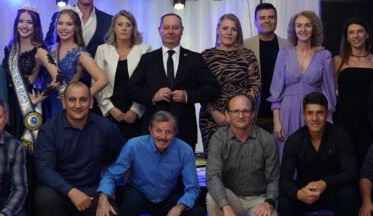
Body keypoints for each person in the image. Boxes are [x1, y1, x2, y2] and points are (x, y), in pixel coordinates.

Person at [96, 111, 206, 216]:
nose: (163, 136)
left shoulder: (185, 150)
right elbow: (112, 174)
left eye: (168, 132)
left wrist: (177, 209)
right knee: (130, 203)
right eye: (158, 131)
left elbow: (193, 188)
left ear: (175, 132)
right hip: (139, 191)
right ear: (150, 130)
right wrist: (103, 197)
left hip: (167, 195)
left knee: (198, 212)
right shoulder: (134, 145)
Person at [34, 81, 125, 216]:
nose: (78, 105)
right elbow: (43, 169)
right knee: (43, 197)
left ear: (91, 103)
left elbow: (122, 159)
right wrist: (71, 191)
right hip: (59, 190)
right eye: (72, 100)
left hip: (92, 189)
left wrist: (107, 190)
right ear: (64, 103)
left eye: (83, 100)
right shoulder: (49, 129)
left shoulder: (105, 127)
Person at [279, 92, 359, 216]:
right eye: (310, 113)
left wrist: (325, 183)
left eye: (319, 113)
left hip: (333, 190)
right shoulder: (294, 140)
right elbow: (284, 180)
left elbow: (351, 173)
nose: (314, 118)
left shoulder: (340, 136)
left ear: (327, 113)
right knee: (283, 202)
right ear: (303, 114)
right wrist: (298, 193)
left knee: (351, 193)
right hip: (306, 193)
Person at [202, 93, 279, 216]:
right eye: (236, 111)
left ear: (252, 114)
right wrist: (226, 208)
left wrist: (269, 202)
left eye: (245, 111)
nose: (241, 115)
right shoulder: (219, 138)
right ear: (227, 114)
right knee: (212, 197)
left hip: (258, 198)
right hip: (231, 196)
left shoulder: (266, 140)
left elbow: (274, 178)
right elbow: (213, 176)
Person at [127, 13, 220, 149]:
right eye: (166, 27)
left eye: (175, 28)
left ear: (182, 30)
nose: (170, 31)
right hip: (153, 131)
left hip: (184, 130)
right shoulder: (147, 59)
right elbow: (131, 89)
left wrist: (187, 95)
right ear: (159, 30)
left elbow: (212, 88)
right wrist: (154, 95)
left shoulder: (194, 58)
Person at [269, 10, 335, 154]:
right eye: (299, 26)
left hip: (314, 113)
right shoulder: (283, 54)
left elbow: (329, 92)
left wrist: (328, 122)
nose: (303, 29)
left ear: (314, 29)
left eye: (307, 25)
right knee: (288, 155)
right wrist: (277, 121)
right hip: (288, 111)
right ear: (294, 29)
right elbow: (276, 92)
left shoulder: (324, 55)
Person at [199, 13, 260, 149]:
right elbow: (199, 88)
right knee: (215, 158)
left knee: (243, 157)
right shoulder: (206, 55)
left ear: (238, 33)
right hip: (212, 118)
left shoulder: (248, 55)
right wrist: (214, 112)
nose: (229, 32)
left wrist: (242, 111)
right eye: (225, 28)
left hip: (242, 117)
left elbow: (255, 85)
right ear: (217, 30)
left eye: (234, 29)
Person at [2, 6, 58, 151]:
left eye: (29, 22)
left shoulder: (40, 51)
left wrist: (39, 98)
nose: (24, 25)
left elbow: (59, 77)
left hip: (26, 102)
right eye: (21, 21)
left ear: (36, 26)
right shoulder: (10, 48)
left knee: (26, 146)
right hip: (9, 101)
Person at [332, 17, 373, 168]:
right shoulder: (338, 61)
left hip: (368, 118)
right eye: (351, 32)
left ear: (367, 35)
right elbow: (330, 90)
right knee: (343, 157)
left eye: (360, 31)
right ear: (347, 38)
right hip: (343, 116)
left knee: (366, 158)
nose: (356, 36)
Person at [94, 10, 151, 140]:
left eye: (128, 25)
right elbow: (96, 82)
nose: (124, 28)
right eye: (120, 24)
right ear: (113, 27)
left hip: (136, 109)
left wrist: (135, 110)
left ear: (133, 28)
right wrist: (110, 108)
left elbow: (148, 83)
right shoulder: (102, 50)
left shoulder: (144, 50)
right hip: (110, 108)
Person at [44, 8, 109, 118]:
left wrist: (82, 98)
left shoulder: (80, 54)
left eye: (69, 24)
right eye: (60, 23)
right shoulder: (49, 50)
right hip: (46, 103)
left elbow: (103, 80)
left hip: (65, 106)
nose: (64, 28)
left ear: (76, 27)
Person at [46, 0, 113, 57]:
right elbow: (48, 45)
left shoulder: (108, 20)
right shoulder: (59, 16)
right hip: (66, 65)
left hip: (97, 65)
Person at [243, 2, 280, 133]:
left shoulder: (288, 46)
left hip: (281, 113)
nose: (267, 21)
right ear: (255, 21)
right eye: (262, 18)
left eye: (271, 17)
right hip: (253, 113)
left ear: (276, 20)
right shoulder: (244, 46)